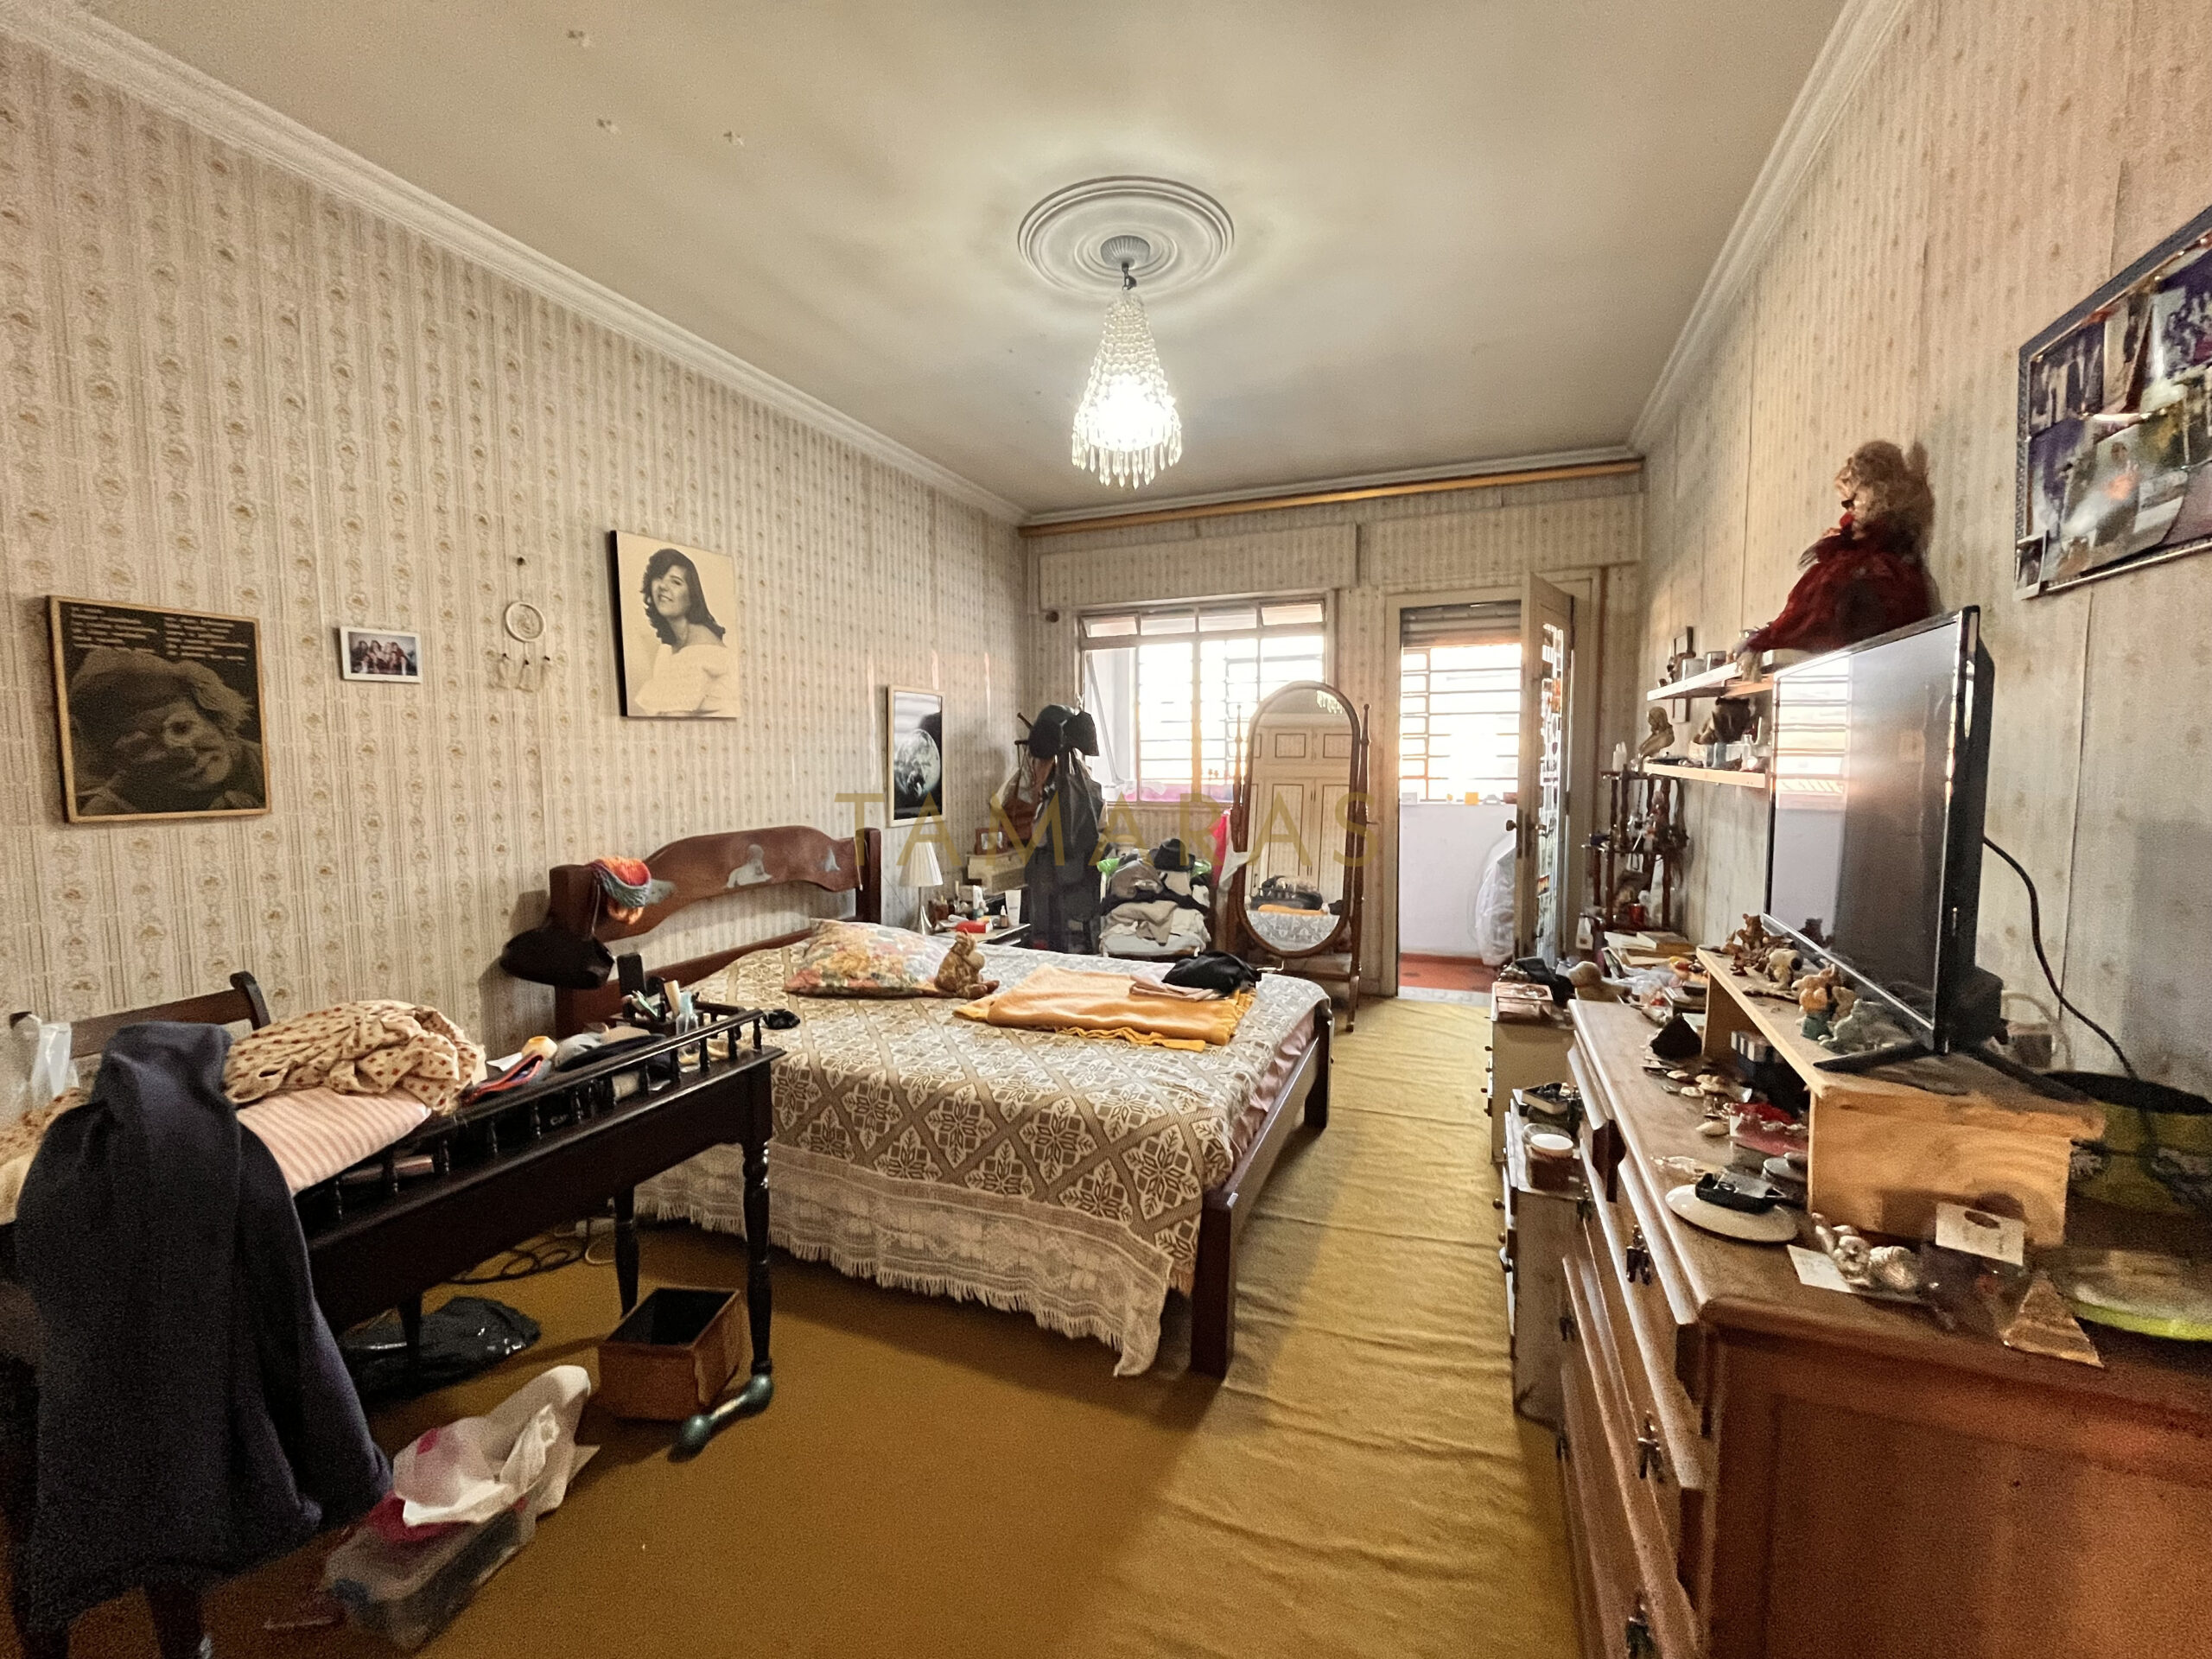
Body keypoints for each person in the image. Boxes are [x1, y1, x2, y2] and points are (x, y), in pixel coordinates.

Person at [67, 647, 266, 816]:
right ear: (119, 762)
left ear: (216, 718)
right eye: (142, 747)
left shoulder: (267, 765)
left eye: (182, 727)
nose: (186, 755)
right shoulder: (111, 810)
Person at [629, 547, 737, 717]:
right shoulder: (667, 649)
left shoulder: (701, 648)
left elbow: (674, 718)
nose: (663, 586)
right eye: (659, 577)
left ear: (692, 597)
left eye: (676, 582)